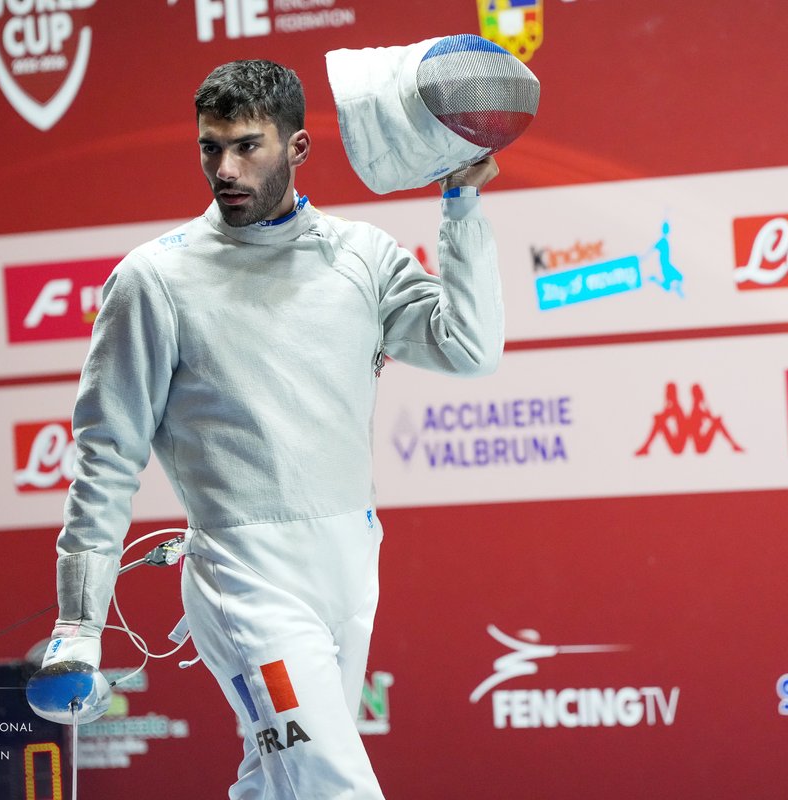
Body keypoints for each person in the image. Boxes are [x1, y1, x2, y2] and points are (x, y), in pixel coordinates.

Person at [42, 59, 504, 799]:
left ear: (297, 148)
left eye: (247, 146)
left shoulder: (363, 258)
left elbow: (470, 348)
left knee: (276, 781)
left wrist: (461, 209)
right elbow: (106, 456)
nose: (223, 168)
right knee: (332, 787)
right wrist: (78, 623)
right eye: (209, 148)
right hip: (243, 576)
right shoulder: (153, 280)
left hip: (351, 560)